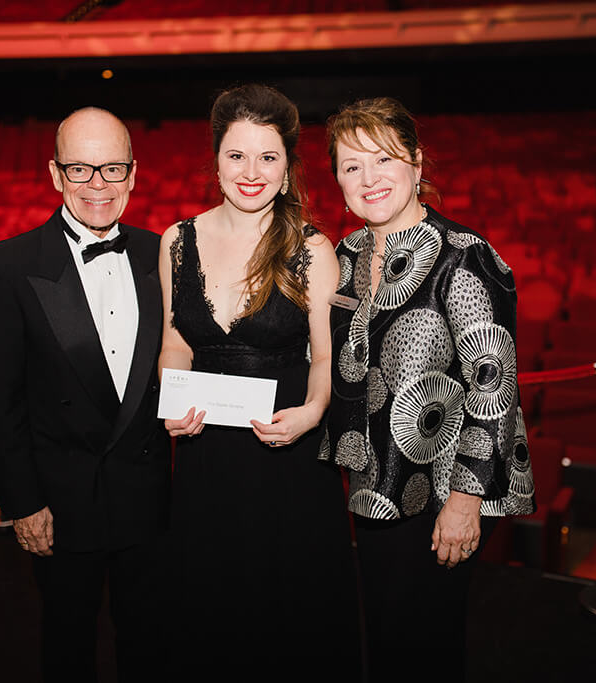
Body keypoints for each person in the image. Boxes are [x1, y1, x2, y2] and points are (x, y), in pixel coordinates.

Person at [322, 97, 534, 681]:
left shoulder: (465, 256)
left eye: (384, 159)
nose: (369, 178)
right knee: (387, 633)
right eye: (351, 166)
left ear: (416, 164)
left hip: (447, 486)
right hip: (379, 481)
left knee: (424, 640)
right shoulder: (345, 256)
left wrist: (465, 502)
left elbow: (494, 387)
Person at [157, 84, 359, 679]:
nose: (251, 172)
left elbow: (325, 358)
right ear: (215, 162)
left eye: (268, 157)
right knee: (209, 616)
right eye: (237, 156)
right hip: (205, 460)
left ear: (287, 167)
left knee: (289, 622)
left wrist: (313, 411)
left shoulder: (313, 249)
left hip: (287, 458)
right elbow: (176, 342)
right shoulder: (177, 241)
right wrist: (172, 398)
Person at [0, 107, 170, 682]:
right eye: (80, 169)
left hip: (148, 499)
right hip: (60, 506)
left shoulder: (165, 256)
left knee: (150, 644)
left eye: (112, 169)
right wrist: (23, 503)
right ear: (55, 174)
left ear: (133, 174)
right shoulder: (4, 267)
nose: (97, 185)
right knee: (67, 646)